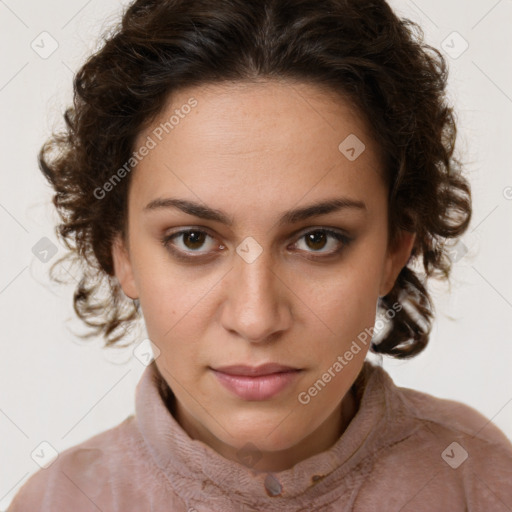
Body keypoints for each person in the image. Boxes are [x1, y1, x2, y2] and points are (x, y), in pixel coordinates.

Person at [8, 0, 512, 510]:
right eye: (193, 239)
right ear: (122, 252)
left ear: (395, 247)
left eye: (318, 239)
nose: (255, 319)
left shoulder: (484, 481)